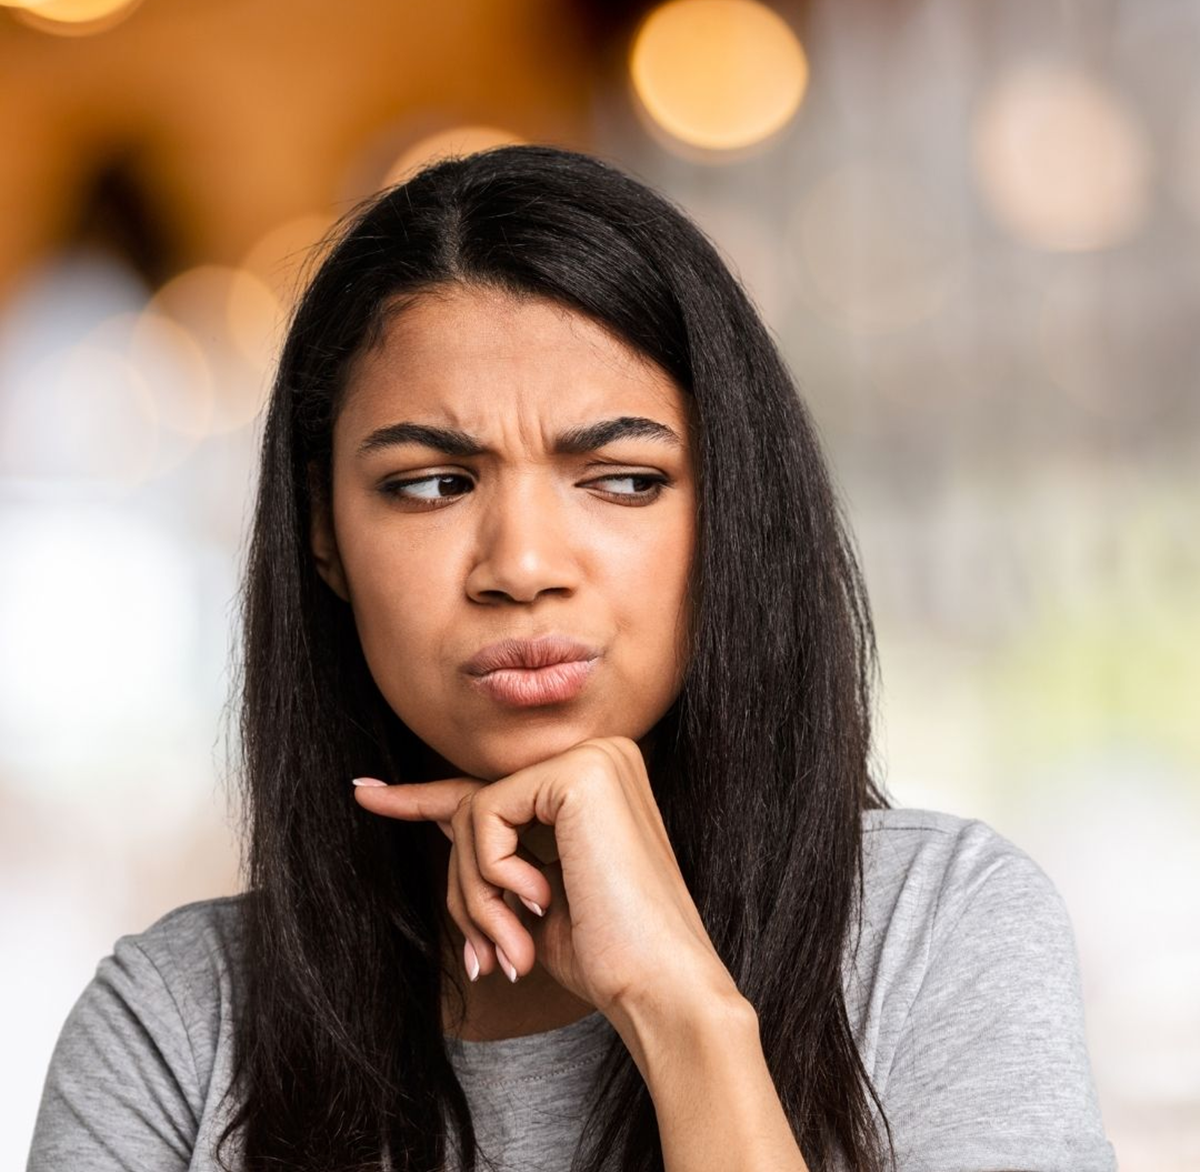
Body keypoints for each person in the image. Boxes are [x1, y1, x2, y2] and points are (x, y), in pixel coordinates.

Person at [25, 144, 1117, 1172]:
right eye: (432, 485)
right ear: (322, 532)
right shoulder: (171, 1027)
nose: (524, 565)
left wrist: (680, 1009)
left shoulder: (942, 932)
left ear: (733, 509)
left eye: (624, 479)